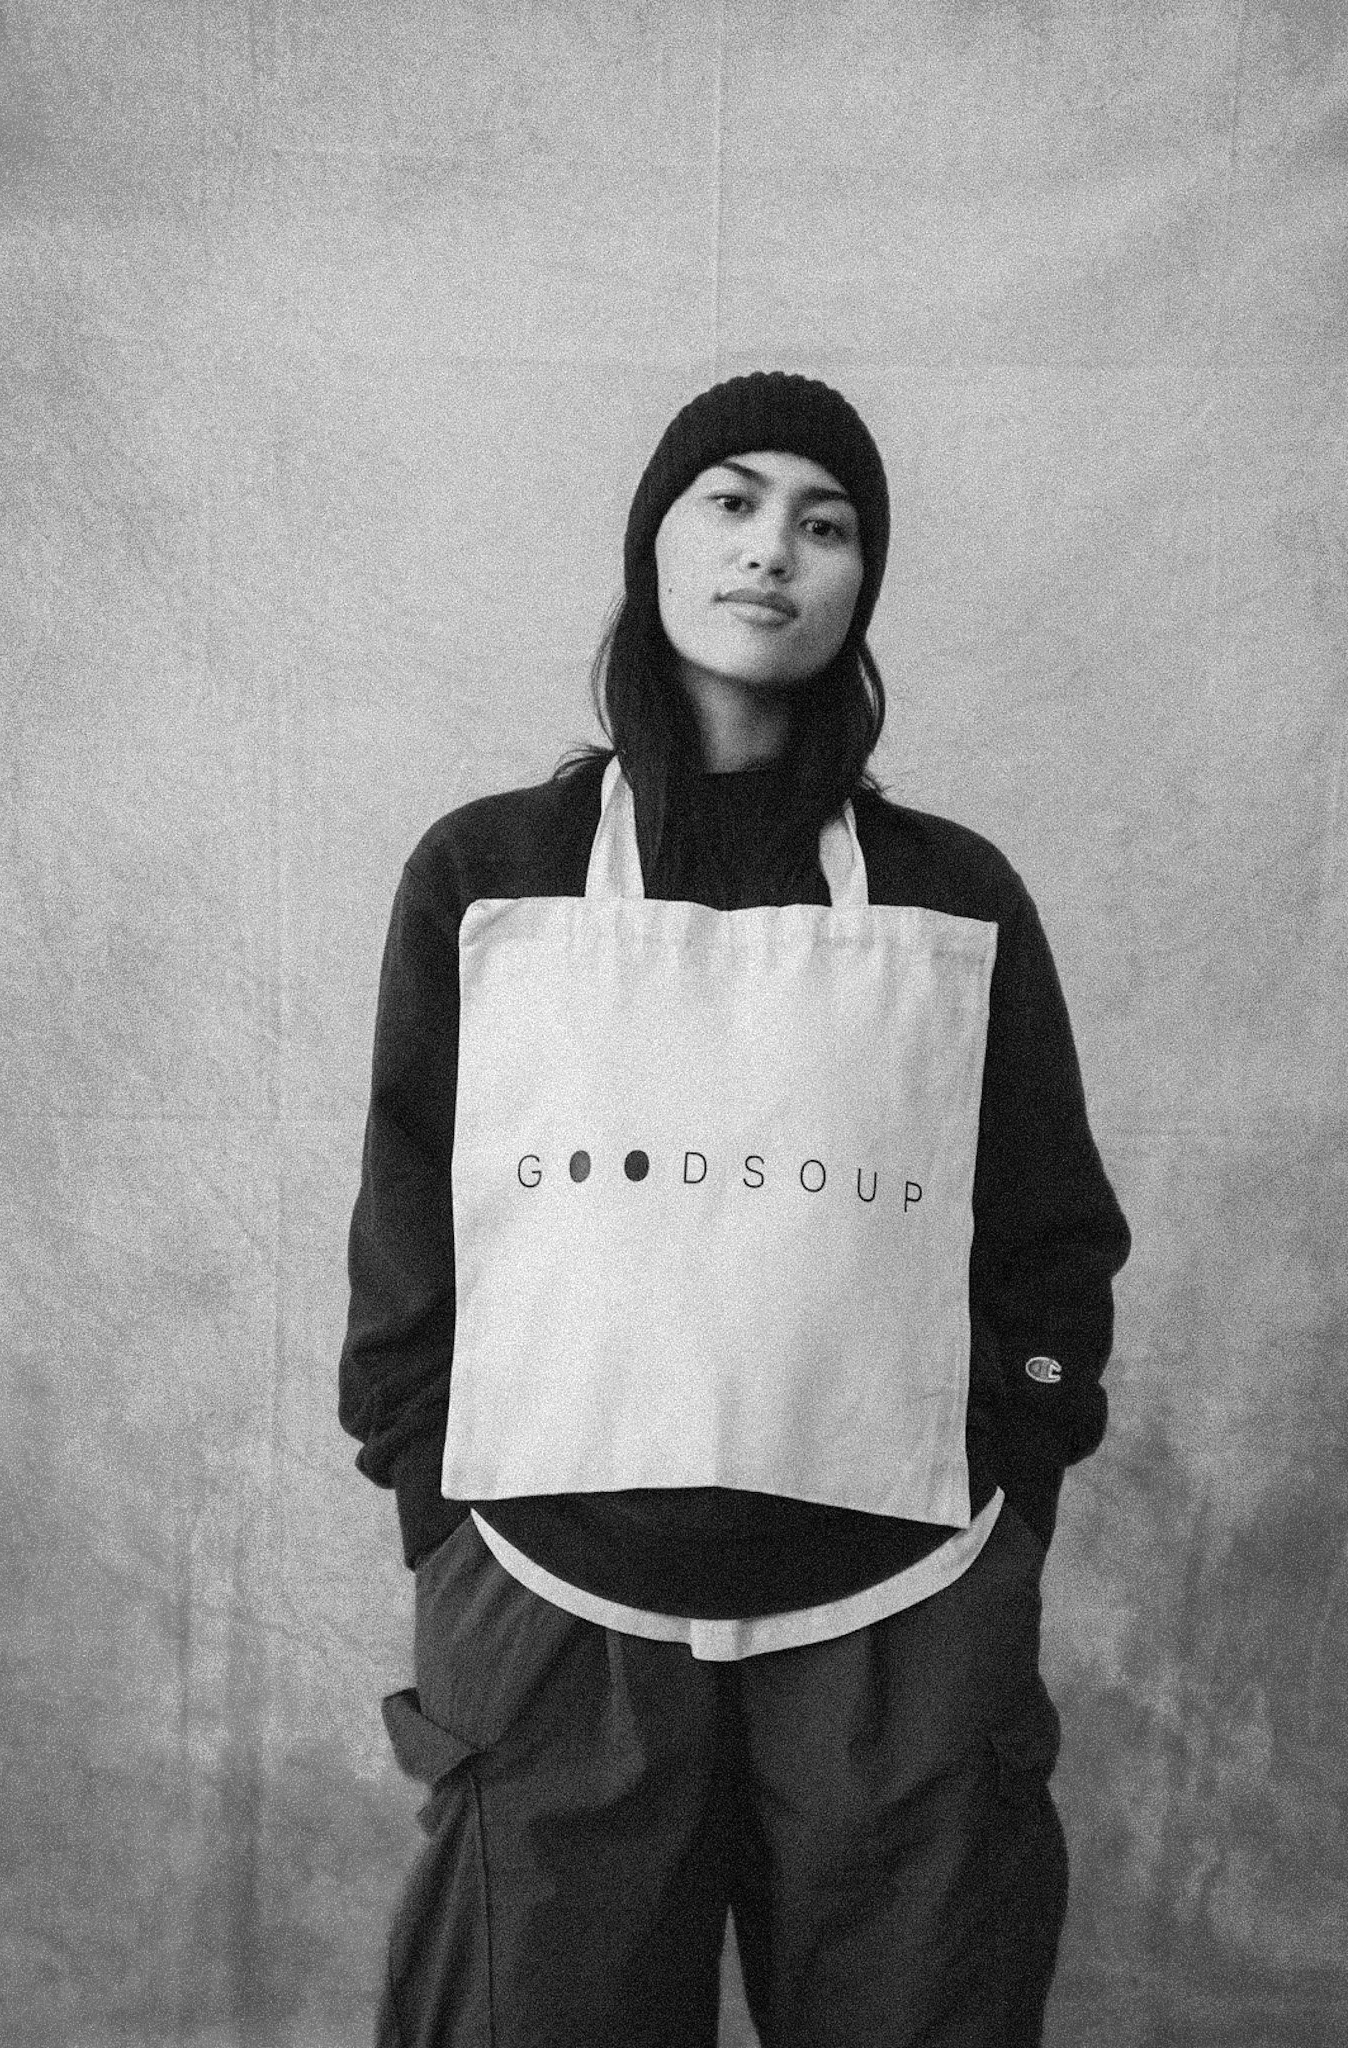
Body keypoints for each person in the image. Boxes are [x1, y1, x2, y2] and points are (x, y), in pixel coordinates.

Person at [339, 370, 1131, 2048]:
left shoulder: (953, 897)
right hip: (552, 1594)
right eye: (731, 501)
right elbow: (409, 1234)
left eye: (824, 524)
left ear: (863, 586)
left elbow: (1050, 1239)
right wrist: (432, 1500)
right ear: (654, 546)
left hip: (902, 1606)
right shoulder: (490, 879)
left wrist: (1018, 1481)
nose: (772, 549)